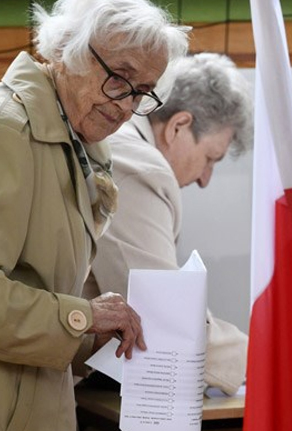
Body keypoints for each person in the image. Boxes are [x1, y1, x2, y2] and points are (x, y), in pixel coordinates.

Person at [0, 1, 188, 430]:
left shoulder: (72, 138)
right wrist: (81, 316)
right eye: (119, 77)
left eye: (143, 92)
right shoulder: (3, 131)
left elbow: (31, 285)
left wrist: (89, 336)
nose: (124, 105)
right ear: (66, 49)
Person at [83, 53, 253, 395]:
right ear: (178, 126)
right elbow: (165, 315)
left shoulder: (124, 145)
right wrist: (268, 359)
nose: (206, 179)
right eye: (210, 159)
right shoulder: (138, 166)